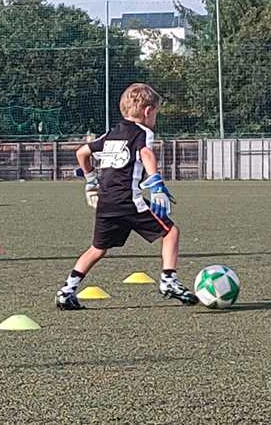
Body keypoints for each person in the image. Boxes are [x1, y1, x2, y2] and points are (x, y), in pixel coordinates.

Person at [55, 83, 198, 310]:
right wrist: (156, 183)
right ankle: (169, 280)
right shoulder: (143, 132)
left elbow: (81, 152)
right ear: (148, 111)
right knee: (171, 232)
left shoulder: (111, 134)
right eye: (156, 113)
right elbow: (146, 153)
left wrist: (91, 181)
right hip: (129, 201)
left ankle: (66, 291)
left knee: (97, 249)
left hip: (106, 202)